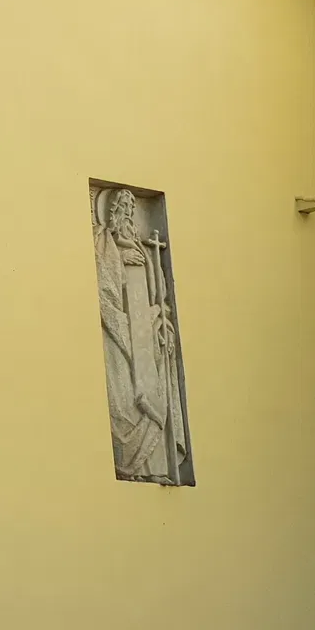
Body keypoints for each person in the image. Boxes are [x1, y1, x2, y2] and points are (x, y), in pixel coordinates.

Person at [93, 188, 187, 482]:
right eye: (122, 207)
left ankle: (156, 468)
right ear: (111, 212)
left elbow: (159, 297)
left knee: (151, 391)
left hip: (146, 340)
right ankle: (131, 467)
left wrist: (160, 321)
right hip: (118, 340)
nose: (128, 214)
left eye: (132, 209)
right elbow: (105, 296)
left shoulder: (146, 252)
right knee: (124, 400)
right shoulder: (104, 244)